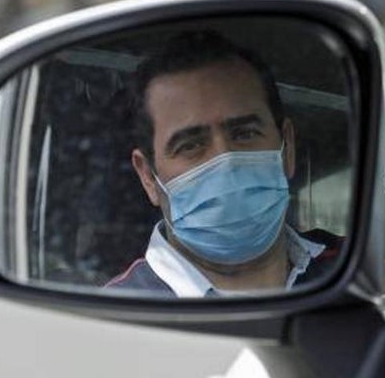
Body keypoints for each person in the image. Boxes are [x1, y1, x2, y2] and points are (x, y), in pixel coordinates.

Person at [106, 30, 342, 296]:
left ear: (287, 146)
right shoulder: (109, 320)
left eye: (244, 134)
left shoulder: (354, 264)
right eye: (190, 146)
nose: (225, 162)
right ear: (147, 176)